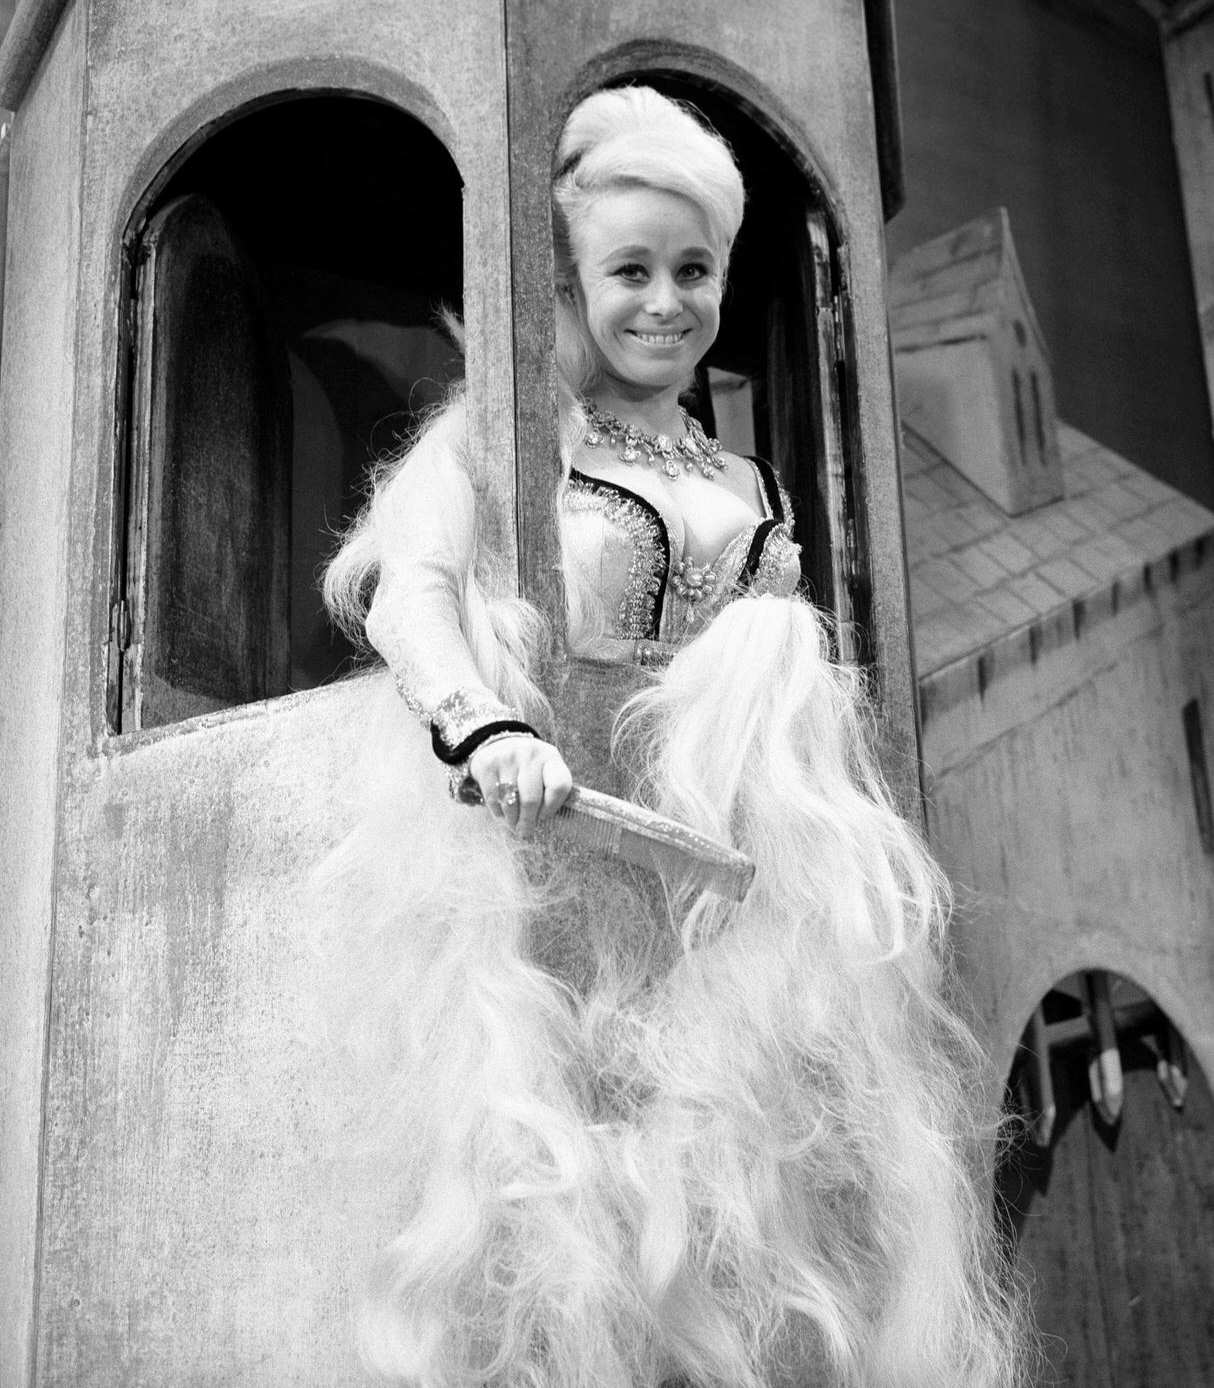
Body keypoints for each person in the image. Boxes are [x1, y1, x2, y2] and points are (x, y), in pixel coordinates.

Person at [318, 85, 1026, 1388]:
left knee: (750, 1206)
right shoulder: (510, 442)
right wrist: (480, 728)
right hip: (563, 850)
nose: (664, 303)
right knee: (562, 1198)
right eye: (629, 270)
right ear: (573, 282)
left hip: (726, 889)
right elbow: (409, 588)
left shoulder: (741, 481)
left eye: (692, 271)